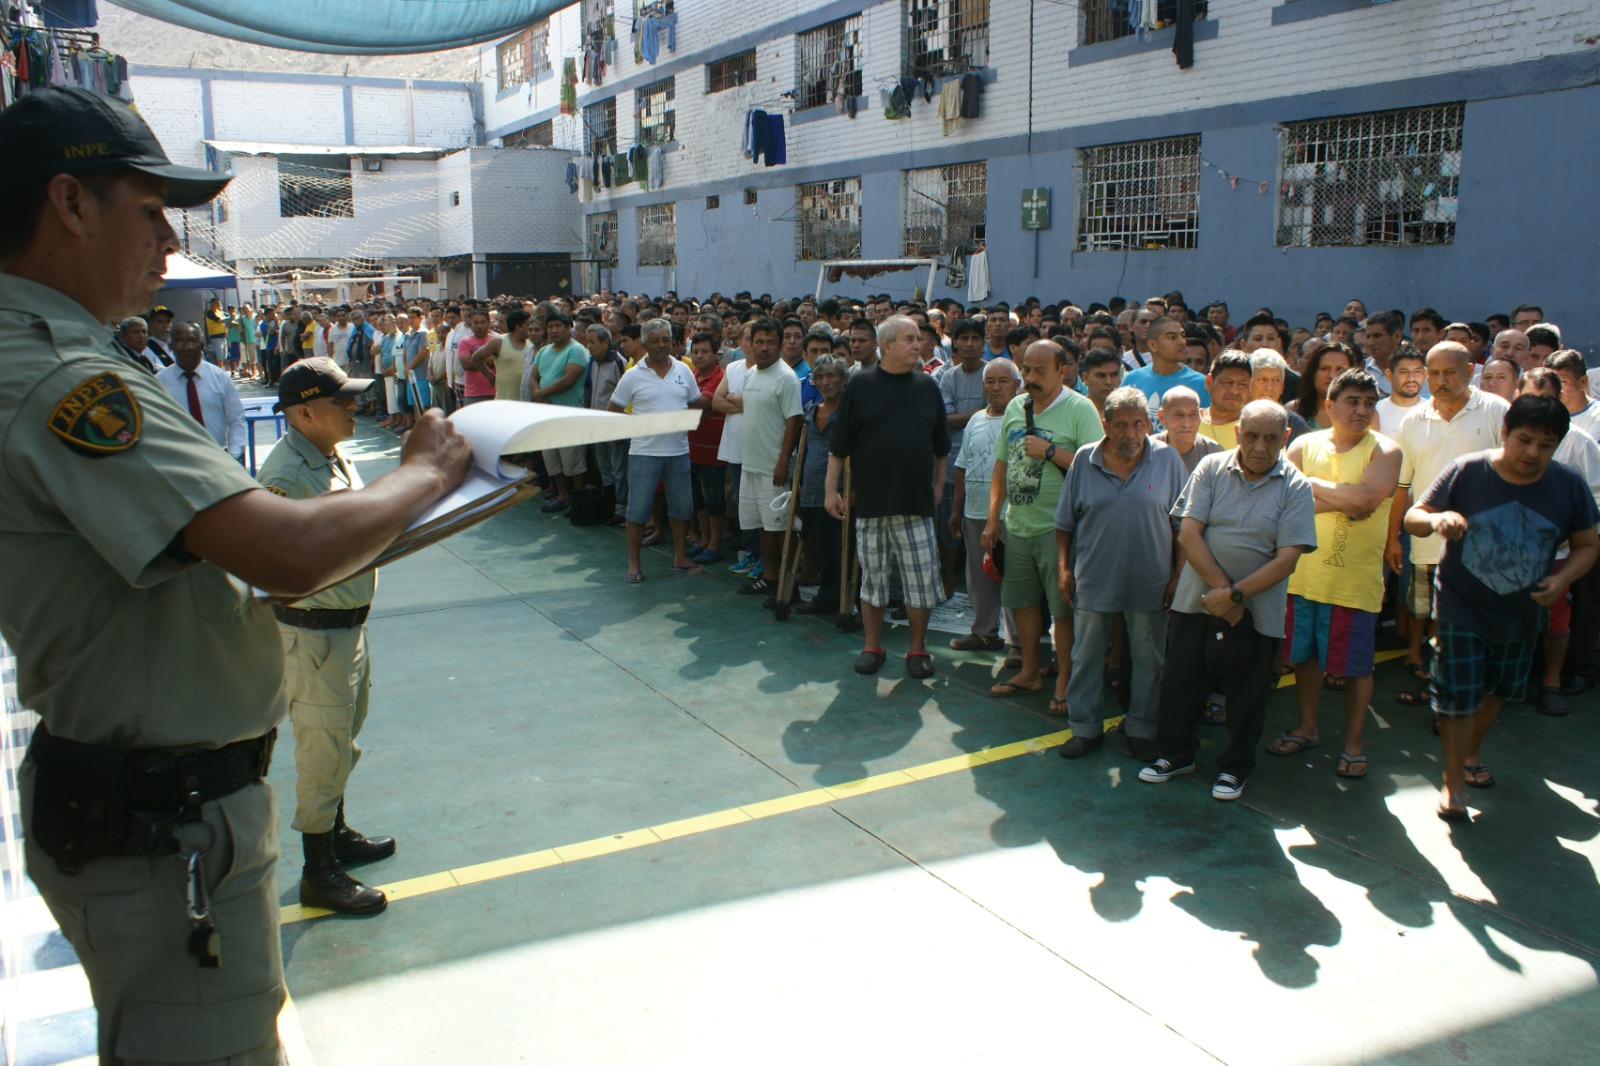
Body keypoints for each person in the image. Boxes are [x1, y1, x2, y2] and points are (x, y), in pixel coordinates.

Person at [0, 86, 471, 1065]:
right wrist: (425, 475)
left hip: (160, 807)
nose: (169, 245)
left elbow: (184, 568)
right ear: (69, 204)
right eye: (149, 210)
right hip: (158, 827)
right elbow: (282, 549)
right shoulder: (63, 376)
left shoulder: (65, 353)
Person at [1405, 396, 1599, 821]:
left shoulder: (1569, 485)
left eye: (1545, 445)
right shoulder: (1468, 470)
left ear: (1558, 445)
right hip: (1461, 603)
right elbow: (1414, 516)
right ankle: (1453, 780)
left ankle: (1472, 749)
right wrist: (1439, 520)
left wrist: (1562, 579)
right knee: (1457, 693)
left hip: (1522, 611)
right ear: (1505, 432)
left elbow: (1588, 545)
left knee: (1500, 689)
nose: (1532, 452)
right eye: (1524, 439)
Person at [257, 357, 399, 915]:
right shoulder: (286, 476)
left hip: (346, 628)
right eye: (342, 401)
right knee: (323, 749)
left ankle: (335, 834)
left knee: (345, 736)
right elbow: (283, 565)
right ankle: (319, 870)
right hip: (315, 638)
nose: (353, 408)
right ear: (305, 412)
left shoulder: (329, 454)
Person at [1139, 401, 1316, 801]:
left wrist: (1236, 596)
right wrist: (1224, 593)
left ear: (1285, 438)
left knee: (1246, 695)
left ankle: (1235, 768)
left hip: (1256, 614)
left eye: (1271, 438)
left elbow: (1287, 558)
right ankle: (1176, 754)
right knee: (1182, 682)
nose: (1259, 446)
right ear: (1238, 432)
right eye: (1251, 435)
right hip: (1196, 602)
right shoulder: (1211, 468)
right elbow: (1188, 532)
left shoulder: (1296, 485)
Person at [1271, 370, 1403, 778]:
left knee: (1356, 666)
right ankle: (1307, 728)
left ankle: (1354, 742)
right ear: (1329, 405)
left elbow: (1366, 501)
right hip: (1302, 578)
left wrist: (1311, 488)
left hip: (1354, 583)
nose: (1362, 410)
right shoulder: (1305, 443)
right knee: (1304, 658)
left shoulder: (1387, 450)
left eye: (1369, 402)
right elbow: (1283, 499)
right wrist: (1345, 498)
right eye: (1352, 401)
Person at [1055, 386, 1187, 761]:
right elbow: (1064, 523)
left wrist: (1178, 577)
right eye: (1120, 425)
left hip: (1151, 579)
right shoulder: (1085, 459)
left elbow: (1183, 527)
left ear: (1148, 423)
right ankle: (1085, 728)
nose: (1130, 433)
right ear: (1105, 425)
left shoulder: (1168, 460)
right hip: (1094, 576)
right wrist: (1065, 569)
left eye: (1137, 423)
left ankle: (1143, 728)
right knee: (1086, 656)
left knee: (1149, 658)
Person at [826, 315, 950, 678]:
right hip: (871, 505)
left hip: (915, 504)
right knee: (873, 581)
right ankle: (872, 645)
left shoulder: (927, 386)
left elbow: (941, 446)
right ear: (889, 345)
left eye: (919, 339)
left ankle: (917, 649)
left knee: (920, 584)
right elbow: (840, 446)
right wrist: (831, 489)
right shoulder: (860, 385)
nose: (918, 345)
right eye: (910, 339)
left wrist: (939, 486)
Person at [983, 339, 1105, 711]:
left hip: (1059, 531)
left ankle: (1064, 682)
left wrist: (1051, 451)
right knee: (1023, 604)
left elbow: (1097, 468)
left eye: (1040, 370)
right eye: (1027, 369)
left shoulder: (1079, 409)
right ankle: (1031, 672)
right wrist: (993, 520)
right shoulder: (1017, 407)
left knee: (1063, 611)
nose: (1031, 378)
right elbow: (1002, 465)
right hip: (1017, 526)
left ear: (1063, 369)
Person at [1384, 342, 1509, 698]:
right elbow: (1402, 487)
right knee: (1431, 614)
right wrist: (1393, 537)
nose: (1440, 380)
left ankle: (1463, 688)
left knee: (1473, 621)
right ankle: (1443, 684)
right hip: (1426, 542)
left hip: (1484, 546)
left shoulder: (1497, 411)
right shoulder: (1413, 420)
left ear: (1470, 371)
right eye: (1433, 373)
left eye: (1449, 372)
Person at [1517, 368, 1600, 714]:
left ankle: (1551, 681)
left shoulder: (1579, 442)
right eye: (1529, 400)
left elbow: (1596, 494)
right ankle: (1510, 679)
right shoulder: (1504, 434)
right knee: (1510, 619)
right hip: (1509, 553)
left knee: (1556, 619)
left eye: (1546, 400)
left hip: (1558, 552)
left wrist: (1570, 530)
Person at [609, 318, 710, 582]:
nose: (662, 345)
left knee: (681, 509)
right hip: (644, 453)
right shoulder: (632, 375)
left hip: (678, 452)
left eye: (666, 339)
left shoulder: (683, 370)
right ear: (644, 343)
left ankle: (680, 557)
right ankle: (633, 562)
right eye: (656, 340)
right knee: (638, 511)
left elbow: (695, 402)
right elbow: (614, 411)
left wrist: (718, 396)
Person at [949, 358, 1021, 650]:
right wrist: (956, 509)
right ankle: (984, 632)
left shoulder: (1023, 420)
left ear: (1017, 385)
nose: (996, 387)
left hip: (1012, 514)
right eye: (990, 381)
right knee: (979, 578)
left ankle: (1018, 644)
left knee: (1015, 580)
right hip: (975, 512)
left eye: (1003, 381)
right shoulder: (976, 420)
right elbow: (961, 466)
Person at [733, 316, 804, 602]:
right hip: (750, 464)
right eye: (759, 342)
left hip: (773, 468)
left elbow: (795, 421)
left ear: (780, 344)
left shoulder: (786, 378)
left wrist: (782, 462)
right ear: (750, 344)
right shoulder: (751, 374)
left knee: (780, 529)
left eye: (771, 342)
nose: (764, 348)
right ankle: (769, 576)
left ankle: (789, 586)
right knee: (763, 526)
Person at [796, 354, 849, 616]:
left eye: (831, 376)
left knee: (842, 550)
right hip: (813, 492)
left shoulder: (850, 414)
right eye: (820, 377)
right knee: (822, 549)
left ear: (843, 379)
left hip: (840, 493)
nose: (825, 382)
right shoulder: (811, 413)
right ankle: (827, 596)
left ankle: (845, 599)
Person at [156, 321, 247, 463]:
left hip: (218, 459)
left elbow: (235, 420)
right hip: (177, 463)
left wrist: (234, 455)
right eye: (179, 342)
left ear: (202, 345)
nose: (186, 348)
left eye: (192, 341)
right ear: (171, 347)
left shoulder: (220, 378)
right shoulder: (159, 383)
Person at [1124, 316, 1210, 423]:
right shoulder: (1132, 379)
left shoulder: (1201, 383)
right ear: (1152, 345)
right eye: (1172, 337)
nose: (1182, 342)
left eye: (1183, 336)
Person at [1153, 385, 1221, 476]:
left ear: (1200, 415)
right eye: (1179, 414)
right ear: (1162, 417)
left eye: (1193, 414)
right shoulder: (1147, 451)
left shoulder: (1214, 453)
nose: (1187, 424)